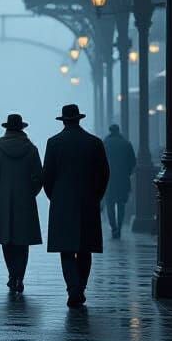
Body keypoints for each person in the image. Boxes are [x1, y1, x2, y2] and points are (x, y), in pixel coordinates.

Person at [43, 104, 110, 308]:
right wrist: (96, 196)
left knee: (66, 248)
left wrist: (54, 196)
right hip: (88, 200)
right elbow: (104, 174)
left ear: (63, 120)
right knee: (85, 248)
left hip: (62, 201)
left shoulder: (54, 143)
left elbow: (47, 176)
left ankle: (73, 288)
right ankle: (80, 286)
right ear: (79, 119)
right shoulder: (94, 143)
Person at [0, 113, 43, 292]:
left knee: (6, 240)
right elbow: (39, 177)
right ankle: (20, 277)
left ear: (6, 129)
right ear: (22, 129)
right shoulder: (31, 149)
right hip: (25, 200)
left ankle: (12, 274)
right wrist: (31, 192)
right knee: (23, 241)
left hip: (3, 200)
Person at [102, 124, 135, 238]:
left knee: (109, 205)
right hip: (122, 179)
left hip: (108, 180)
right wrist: (127, 173)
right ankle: (119, 228)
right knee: (121, 205)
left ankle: (114, 227)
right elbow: (132, 163)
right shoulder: (126, 144)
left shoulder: (105, 143)